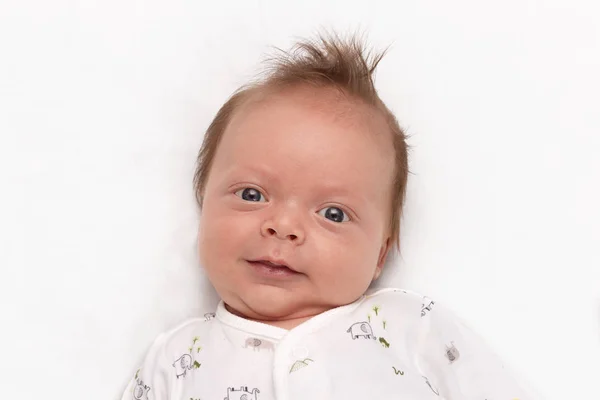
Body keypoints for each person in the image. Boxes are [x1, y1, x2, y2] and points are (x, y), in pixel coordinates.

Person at [121, 32, 537, 400]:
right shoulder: (178, 357)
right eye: (252, 194)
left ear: (379, 254)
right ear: (203, 201)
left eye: (333, 214)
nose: (282, 227)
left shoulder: (411, 328)